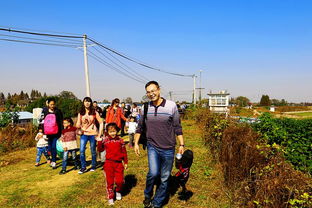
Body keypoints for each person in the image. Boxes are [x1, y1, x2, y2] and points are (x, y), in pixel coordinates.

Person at [134, 81, 185, 208]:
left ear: (159, 90)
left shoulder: (171, 106)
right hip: (152, 146)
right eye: (148, 92)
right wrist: (135, 143)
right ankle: (147, 194)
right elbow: (139, 127)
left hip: (168, 148)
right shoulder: (145, 108)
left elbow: (177, 126)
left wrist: (182, 144)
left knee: (165, 177)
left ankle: (156, 203)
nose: (151, 94)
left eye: (153, 90)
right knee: (153, 173)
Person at [97, 123, 128, 206]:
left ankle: (118, 191)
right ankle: (110, 197)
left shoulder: (120, 141)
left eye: (114, 131)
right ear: (107, 132)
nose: (112, 133)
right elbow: (100, 149)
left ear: (117, 131)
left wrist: (125, 162)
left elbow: (124, 152)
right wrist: (99, 141)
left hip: (118, 164)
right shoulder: (105, 140)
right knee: (109, 181)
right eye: (110, 132)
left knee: (120, 181)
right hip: (109, 163)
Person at [76, 97, 103, 174]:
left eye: (89, 101)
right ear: (83, 103)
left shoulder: (94, 112)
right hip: (84, 134)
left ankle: (93, 165)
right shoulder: (80, 113)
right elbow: (78, 123)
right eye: (85, 101)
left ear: (91, 103)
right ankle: (83, 167)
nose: (87, 103)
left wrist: (99, 134)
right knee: (81, 151)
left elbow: (101, 122)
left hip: (93, 134)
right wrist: (78, 127)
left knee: (93, 150)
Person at [43, 97, 63, 169]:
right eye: (51, 104)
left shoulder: (58, 111)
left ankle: (54, 161)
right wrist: (43, 133)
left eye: (53, 104)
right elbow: (42, 122)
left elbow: (61, 122)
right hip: (48, 133)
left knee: (54, 147)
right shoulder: (45, 111)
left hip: (55, 132)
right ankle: (51, 158)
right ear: (48, 104)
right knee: (50, 148)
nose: (52, 106)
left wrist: (62, 132)